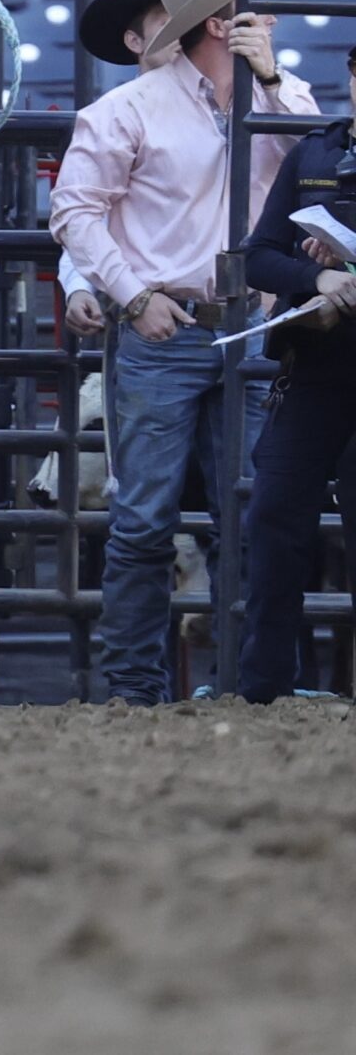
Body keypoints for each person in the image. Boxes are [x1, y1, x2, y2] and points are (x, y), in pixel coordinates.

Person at [49, 0, 314, 704]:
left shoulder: (275, 93)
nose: (258, 20)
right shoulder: (126, 110)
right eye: (244, 11)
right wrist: (136, 295)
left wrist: (267, 78)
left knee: (250, 514)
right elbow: (74, 211)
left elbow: (323, 160)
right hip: (176, 325)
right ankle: (142, 688)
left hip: (246, 328)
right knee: (146, 519)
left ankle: (248, 681)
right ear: (220, 23)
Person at [237, 44, 356, 702]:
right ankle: (264, 688)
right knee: (275, 519)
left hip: (318, 366)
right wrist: (317, 274)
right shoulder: (313, 156)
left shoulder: (316, 156)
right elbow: (259, 258)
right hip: (313, 369)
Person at [58, 0, 183, 339]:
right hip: (147, 307)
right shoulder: (113, 115)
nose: (182, 35)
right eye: (169, 23)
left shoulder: (112, 113)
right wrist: (79, 283)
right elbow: (90, 215)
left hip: (158, 308)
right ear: (134, 40)